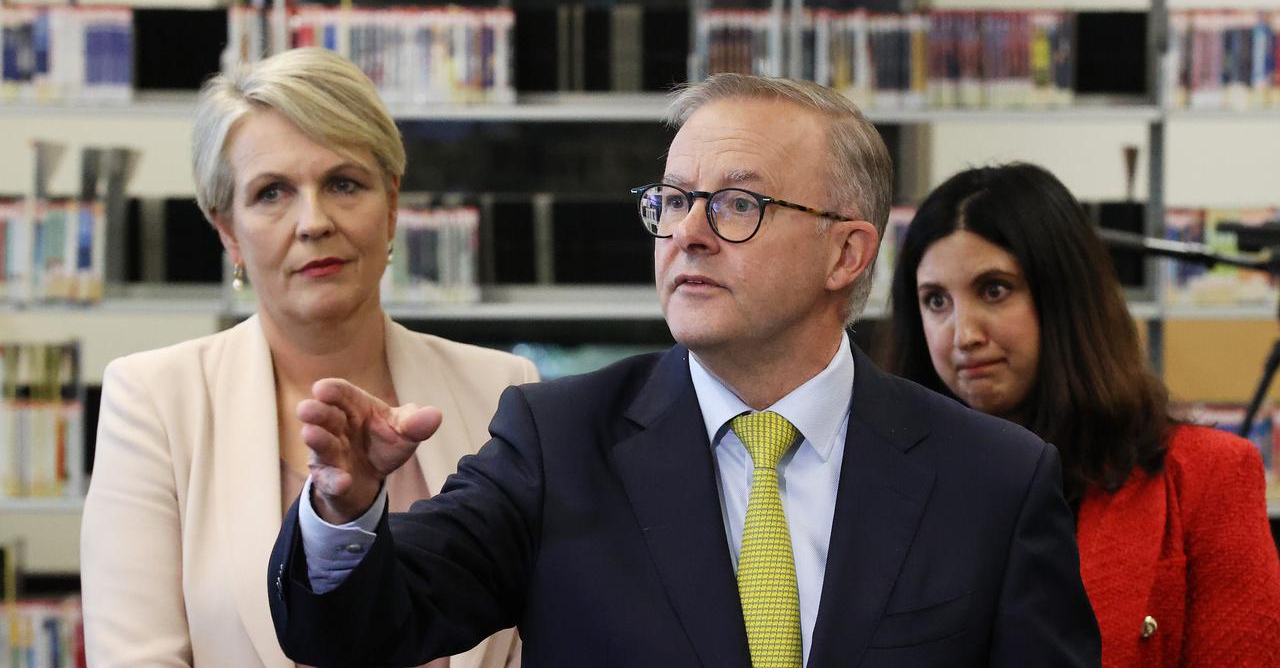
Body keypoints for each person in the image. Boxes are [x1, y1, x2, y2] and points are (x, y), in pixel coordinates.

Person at [268, 75, 1101, 667]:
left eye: (738, 204)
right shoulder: (558, 444)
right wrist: (346, 514)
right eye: (671, 200)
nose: (687, 234)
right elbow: (366, 628)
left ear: (847, 252)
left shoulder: (991, 478)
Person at [80, 47, 537, 668]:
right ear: (227, 231)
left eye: (343, 183)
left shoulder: (504, 389)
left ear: (393, 204)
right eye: (272, 193)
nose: (313, 221)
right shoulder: (154, 401)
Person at [881, 162, 1280, 668]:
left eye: (994, 290)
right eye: (935, 300)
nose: (963, 334)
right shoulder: (886, 479)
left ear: (1064, 294)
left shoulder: (1206, 475)